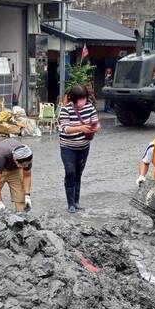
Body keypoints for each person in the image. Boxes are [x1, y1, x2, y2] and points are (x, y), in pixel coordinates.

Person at [59, 85, 100, 213]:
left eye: (84, 98)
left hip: (84, 146)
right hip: (67, 146)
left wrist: (95, 127)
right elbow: (65, 128)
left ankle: (76, 202)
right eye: (80, 99)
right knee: (70, 172)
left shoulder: (89, 107)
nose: (82, 102)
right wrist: (80, 128)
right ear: (73, 99)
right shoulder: (65, 110)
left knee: (78, 173)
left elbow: (96, 122)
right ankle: (70, 204)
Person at [0, 139, 33, 215]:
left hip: (15, 171)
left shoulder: (26, 156)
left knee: (20, 198)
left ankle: (22, 219)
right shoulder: (1, 156)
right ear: (15, 159)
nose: (25, 166)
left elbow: (27, 175)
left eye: (27, 164)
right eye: (22, 165)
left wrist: (27, 195)